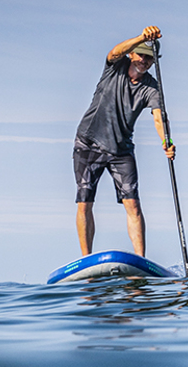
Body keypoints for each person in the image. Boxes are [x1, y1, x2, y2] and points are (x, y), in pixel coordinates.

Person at [73, 26, 175, 257]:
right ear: (132, 54)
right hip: (88, 143)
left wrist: (166, 142)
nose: (145, 61)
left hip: (121, 150)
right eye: (142, 55)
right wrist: (141, 37)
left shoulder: (151, 87)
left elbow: (159, 117)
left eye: (151, 58)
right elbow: (114, 51)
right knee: (85, 202)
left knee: (133, 205)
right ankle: (86, 259)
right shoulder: (114, 68)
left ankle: (140, 261)